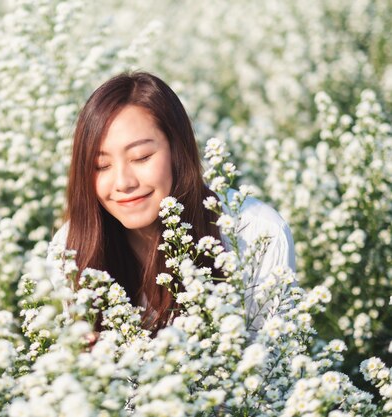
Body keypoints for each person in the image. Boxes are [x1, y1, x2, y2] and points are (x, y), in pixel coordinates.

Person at [48, 71, 295, 334]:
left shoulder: (256, 232)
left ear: (178, 150)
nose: (123, 182)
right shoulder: (70, 250)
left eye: (141, 157)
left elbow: (271, 364)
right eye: (102, 165)